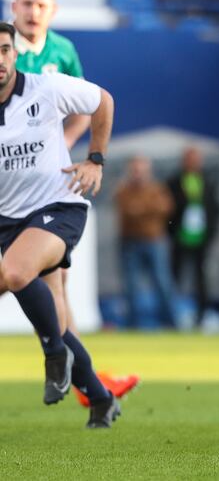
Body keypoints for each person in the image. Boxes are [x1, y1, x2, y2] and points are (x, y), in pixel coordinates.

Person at [11, 0, 140, 408]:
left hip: (43, 187)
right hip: (11, 186)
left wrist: (68, 144)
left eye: (41, 5)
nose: (33, 12)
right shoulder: (6, 49)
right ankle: (89, 383)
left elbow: (89, 103)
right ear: (14, 7)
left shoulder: (60, 53)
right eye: (27, 3)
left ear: (53, 11)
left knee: (52, 282)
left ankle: (78, 375)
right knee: (43, 287)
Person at [0, 22, 120, 428]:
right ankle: (100, 398)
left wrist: (95, 159)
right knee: (54, 318)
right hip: (10, 223)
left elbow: (102, 101)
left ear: (15, 53)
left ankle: (55, 355)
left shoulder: (45, 87)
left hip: (58, 207)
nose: (0, 59)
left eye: (4, 50)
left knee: (16, 272)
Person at [115, 156, 177, 329]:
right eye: (135, 170)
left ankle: (170, 323)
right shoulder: (124, 190)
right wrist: (148, 209)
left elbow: (166, 208)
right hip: (130, 242)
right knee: (131, 286)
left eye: (141, 170)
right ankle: (132, 325)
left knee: (162, 283)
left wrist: (140, 208)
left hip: (154, 241)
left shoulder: (157, 188)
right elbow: (126, 210)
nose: (138, 174)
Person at [167, 147, 219, 327]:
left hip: (201, 238)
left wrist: (212, 231)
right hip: (180, 237)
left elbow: (215, 208)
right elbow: (168, 209)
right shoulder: (174, 182)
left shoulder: (207, 181)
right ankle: (172, 316)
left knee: (201, 278)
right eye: (190, 159)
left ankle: (202, 316)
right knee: (175, 276)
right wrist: (172, 230)